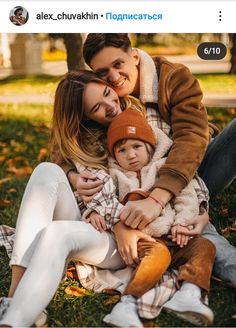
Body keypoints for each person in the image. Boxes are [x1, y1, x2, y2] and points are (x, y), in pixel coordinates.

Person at [0, 71, 209, 327]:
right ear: (84, 117)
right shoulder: (84, 144)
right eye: (97, 107)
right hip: (99, 223)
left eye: (108, 94)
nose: (111, 106)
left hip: (134, 236)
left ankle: (16, 318)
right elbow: (70, 169)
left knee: (59, 232)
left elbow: (179, 164)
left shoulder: (143, 119)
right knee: (46, 170)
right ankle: (16, 298)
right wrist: (74, 178)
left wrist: (200, 210)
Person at [66, 33, 236, 287]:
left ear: (134, 55)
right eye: (102, 72)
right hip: (140, 190)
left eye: (118, 64)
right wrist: (73, 176)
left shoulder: (173, 77)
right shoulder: (103, 101)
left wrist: (162, 199)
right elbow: (65, 143)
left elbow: (191, 139)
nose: (113, 78)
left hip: (195, 171)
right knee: (200, 238)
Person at [81, 107, 216, 326]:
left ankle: (189, 292)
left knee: (205, 246)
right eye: (121, 150)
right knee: (159, 255)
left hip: (175, 235)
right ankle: (128, 304)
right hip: (145, 240)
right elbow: (101, 198)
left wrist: (182, 225)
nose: (131, 155)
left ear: (150, 147)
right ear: (114, 155)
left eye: (136, 146)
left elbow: (187, 197)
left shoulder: (165, 168)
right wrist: (94, 212)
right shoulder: (113, 176)